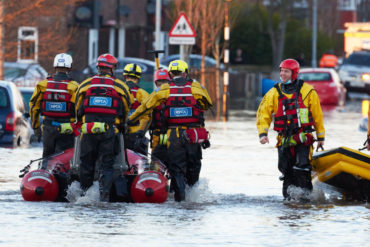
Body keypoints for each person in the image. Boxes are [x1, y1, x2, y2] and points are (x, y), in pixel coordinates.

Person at [128, 60, 212, 202]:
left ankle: (180, 201)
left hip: (174, 135)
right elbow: (207, 103)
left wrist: (130, 120)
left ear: (170, 74)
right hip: (194, 135)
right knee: (193, 167)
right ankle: (192, 200)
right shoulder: (196, 87)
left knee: (177, 170)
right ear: (185, 73)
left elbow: (146, 106)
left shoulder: (165, 89)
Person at [256, 58, 325, 201]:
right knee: (286, 172)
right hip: (284, 140)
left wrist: (320, 137)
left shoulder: (308, 91)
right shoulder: (274, 93)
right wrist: (263, 134)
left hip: (303, 138)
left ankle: (306, 201)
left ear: (294, 73)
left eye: (286, 71)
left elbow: (317, 115)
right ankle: (288, 203)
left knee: (302, 168)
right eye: (281, 71)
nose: (282, 74)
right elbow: (263, 114)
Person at [74, 53, 133, 202]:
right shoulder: (120, 86)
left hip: (88, 130)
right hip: (109, 130)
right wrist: (123, 124)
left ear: (98, 67)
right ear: (112, 69)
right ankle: (104, 197)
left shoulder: (85, 84)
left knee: (86, 163)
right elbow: (127, 106)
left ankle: (84, 196)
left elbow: (77, 104)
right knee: (107, 165)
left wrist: (80, 122)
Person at [29, 53, 78, 161]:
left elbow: (34, 107)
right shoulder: (73, 87)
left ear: (55, 66)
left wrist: (36, 127)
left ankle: (45, 173)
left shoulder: (42, 85)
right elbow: (79, 110)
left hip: (48, 128)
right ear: (70, 67)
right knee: (64, 159)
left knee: (47, 157)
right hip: (67, 129)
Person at [122, 63, 150, 155]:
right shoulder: (142, 93)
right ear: (138, 78)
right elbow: (147, 116)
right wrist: (141, 133)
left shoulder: (117, 90)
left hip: (118, 134)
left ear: (125, 76)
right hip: (136, 135)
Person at [149, 68, 171, 166]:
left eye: (164, 82)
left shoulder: (152, 97)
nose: (161, 85)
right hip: (172, 134)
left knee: (156, 162)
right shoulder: (175, 96)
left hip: (159, 134)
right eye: (160, 82)